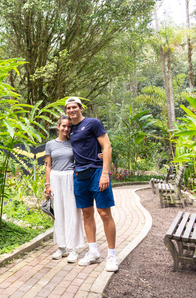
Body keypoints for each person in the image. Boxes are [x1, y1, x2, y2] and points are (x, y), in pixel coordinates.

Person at [65, 97, 118, 272]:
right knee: (87, 213)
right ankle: (93, 252)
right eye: (68, 108)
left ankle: (111, 256)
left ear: (81, 108)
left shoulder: (92, 123)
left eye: (74, 107)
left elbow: (107, 146)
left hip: (96, 172)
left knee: (104, 213)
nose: (71, 110)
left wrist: (105, 173)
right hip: (79, 175)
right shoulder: (69, 129)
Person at [45, 115, 85, 263]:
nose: (66, 129)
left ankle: (73, 248)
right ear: (58, 127)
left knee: (72, 213)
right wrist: (47, 185)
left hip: (70, 178)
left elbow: (81, 159)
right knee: (59, 213)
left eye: (69, 126)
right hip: (55, 178)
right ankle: (61, 247)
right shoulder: (50, 144)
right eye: (63, 126)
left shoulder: (73, 143)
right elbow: (48, 166)